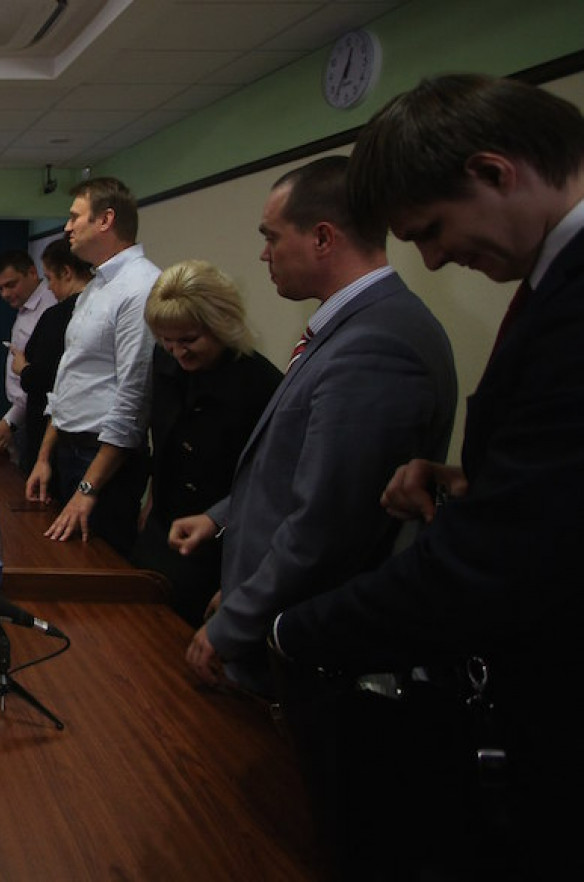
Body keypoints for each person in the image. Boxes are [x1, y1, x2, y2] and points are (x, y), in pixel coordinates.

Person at [272, 75, 584, 879]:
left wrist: (289, 630)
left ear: (493, 172)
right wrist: (470, 479)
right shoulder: (553, 280)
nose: (439, 258)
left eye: (434, 229)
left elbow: (501, 563)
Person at [170, 156, 457, 695]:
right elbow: (294, 470)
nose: (263, 253)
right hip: (276, 613)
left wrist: (239, 616)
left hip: (310, 645)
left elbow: (328, 524)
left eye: (272, 237)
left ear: (322, 237)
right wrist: (223, 526)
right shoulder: (349, 328)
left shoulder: (377, 343)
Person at [128, 260, 281, 626]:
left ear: (222, 325)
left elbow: (268, 485)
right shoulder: (163, 360)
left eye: (189, 340)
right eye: (167, 340)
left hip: (221, 546)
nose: (178, 352)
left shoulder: (262, 385)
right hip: (161, 528)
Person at [25, 177, 159, 558]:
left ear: (106, 220)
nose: (67, 227)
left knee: (96, 572)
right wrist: (44, 457)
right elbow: (69, 380)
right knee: (58, 562)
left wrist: (88, 489)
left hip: (102, 464)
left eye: (74, 217)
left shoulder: (140, 286)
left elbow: (133, 401)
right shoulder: (97, 285)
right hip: (67, 449)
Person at [11, 238, 91, 476]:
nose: (48, 288)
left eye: (49, 278)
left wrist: (22, 369)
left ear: (67, 272)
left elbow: (46, 379)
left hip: (55, 432)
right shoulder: (101, 308)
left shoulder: (57, 316)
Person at [0, 250, 55, 469]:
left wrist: (10, 421)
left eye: (11, 285)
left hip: (40, 416)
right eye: (0, 288)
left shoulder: (49, 309)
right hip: (22, 414)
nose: (4, 293)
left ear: (33, 273)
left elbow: (43, 378)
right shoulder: (25, 307)